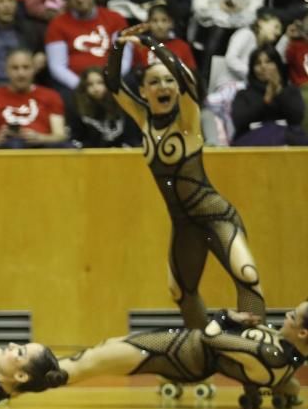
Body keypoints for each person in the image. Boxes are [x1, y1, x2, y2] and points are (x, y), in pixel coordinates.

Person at [105, 23, 266, 328]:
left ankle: (257, 359)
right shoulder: (143, 121)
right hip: (183, 224)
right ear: (143, 90)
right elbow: (113, 84)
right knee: (181, 291)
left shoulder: (188, 120)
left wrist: (151, 44)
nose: (163, 86)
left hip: (216, 215)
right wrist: (118, 46)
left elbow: (186, 78)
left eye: (168, 81)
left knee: (247, 275)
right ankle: (199, 362)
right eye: (154, 82)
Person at [59, 304, 307, 408]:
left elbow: (212, 337)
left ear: (303, 332)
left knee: (90, 361)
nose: (286, 315)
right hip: (184, 351)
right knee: (106, 346)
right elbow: (288, 384)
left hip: (178, 352)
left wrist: (225, 316)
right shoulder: (288, 358)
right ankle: (31, 378)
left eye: (292, 317)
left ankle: (28, 379)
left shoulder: (270, 354)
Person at [45, 0, 129, 94]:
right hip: (77, 86)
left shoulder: (115, 18)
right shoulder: (57, 25)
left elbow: (124, 59)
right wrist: (85, 87)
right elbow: (57, 67)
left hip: (113, 79)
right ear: (66, 1)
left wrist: (109, 81)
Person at [0, 49, 68, 148]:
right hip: (4, 152)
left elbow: (60, 135)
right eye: (15, 68)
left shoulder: (51, 96)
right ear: (6, 70)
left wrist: (40, 138)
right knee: (15, 144)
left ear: (33, 69)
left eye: (26, 67)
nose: (21, 73)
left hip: (42, 150)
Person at [230, 46, 308, 145]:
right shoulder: (244, 94)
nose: (263, 66)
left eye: (269, 62)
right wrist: (266, 100)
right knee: (272, 130)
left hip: (288, 138)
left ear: (277, 65)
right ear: (252, 69)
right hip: (251, 140)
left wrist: (279, 91)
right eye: (258, 63)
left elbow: (296, 118)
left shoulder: (290, 91)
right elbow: (239, 121)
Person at [66, 66, 141, 148]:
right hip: (90, 154)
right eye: (89, 84)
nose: (96, 88)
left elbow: (132, 138)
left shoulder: (123, 105)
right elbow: (76, 139)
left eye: (100, 83)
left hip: (123, 152)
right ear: (83, 87)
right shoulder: (77, 108)